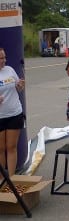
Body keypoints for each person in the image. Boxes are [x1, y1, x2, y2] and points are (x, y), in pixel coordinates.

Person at [0, 48, 25, 179]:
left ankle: (12, 179)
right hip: (0, 117)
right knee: (0, 149)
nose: (3, 61)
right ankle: (1, 180)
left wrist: (20, 85)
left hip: (15, 113)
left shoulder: (9, 70)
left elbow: (18, 88)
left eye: (4, 57)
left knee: (11, 147)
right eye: (0, 58)